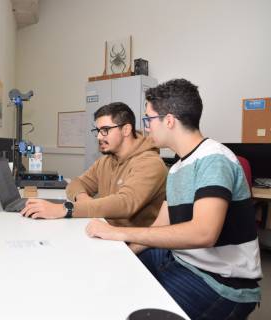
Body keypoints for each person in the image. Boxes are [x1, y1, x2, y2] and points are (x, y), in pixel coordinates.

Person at [86, 79, 262, 319]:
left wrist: (122, 234)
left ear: (168, 121)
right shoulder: (178, 167)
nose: (146, 128)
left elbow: (204, 233)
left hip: (220, 282)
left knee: (129, 306)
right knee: (112, 273)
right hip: (181, 260)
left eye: (149, 119)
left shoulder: (214, 159)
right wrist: (125, 251)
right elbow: (160, 226)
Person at [21, 102, 167, 227]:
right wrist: (82, 198)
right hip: (107, 232)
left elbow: (125, 203)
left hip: (135, 245)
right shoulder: (107, 160)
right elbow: (76, 183)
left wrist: (66, 209)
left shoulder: (150, 163)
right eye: (97, 131)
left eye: (105, 130)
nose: (98, 136)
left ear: (126, 130)